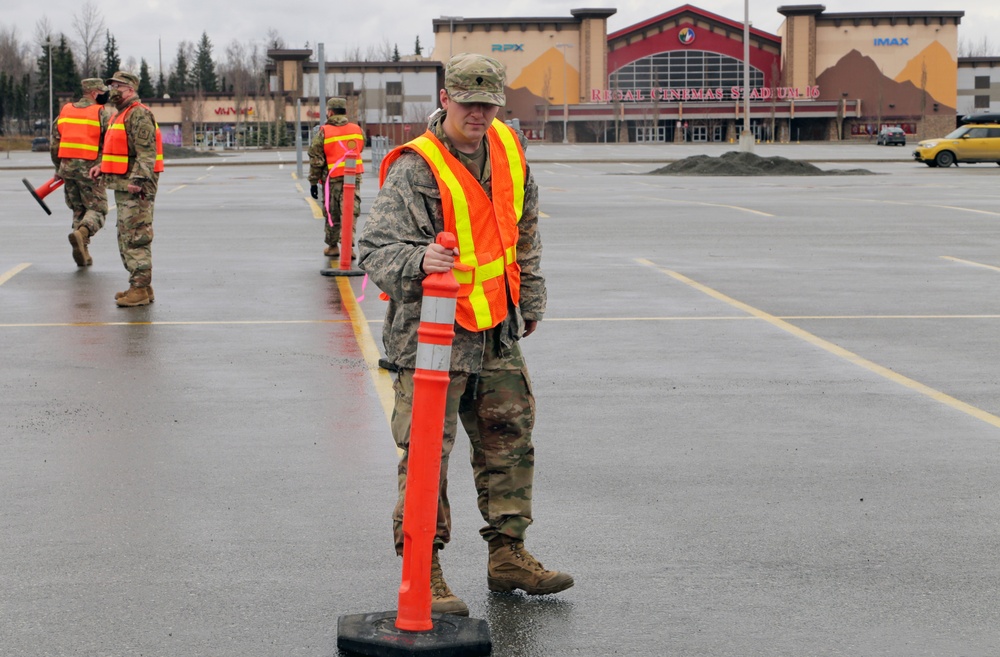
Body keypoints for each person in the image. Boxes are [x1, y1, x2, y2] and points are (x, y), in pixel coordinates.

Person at [357, 53, 573, 617]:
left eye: (488, 104)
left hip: (497, 330)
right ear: (446, 98)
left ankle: (508, 555)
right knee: (428, 456)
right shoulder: (417, 167)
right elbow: (375, 251)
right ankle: (422, 569)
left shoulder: (506, 149)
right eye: (469, 102)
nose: (478, 113)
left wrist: (530, 296)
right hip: (432, 340)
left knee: (510, 441)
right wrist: (419, 258)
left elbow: (522, 226)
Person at [88, 71, 163, 307]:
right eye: (111, 85)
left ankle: (139, 289)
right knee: (125, 235)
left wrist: (138, 180)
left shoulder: (139, 114)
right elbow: (120, 151)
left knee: (135, 237)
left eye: (117, 86)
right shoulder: (120, 115)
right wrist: (102, 166)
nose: (112, 90)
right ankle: (142, 285)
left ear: (130, 89)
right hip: (124, 185)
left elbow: (146, 154)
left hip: (136, 188)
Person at [51, 78, 114, 267]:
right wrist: (105, 164)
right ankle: (83, 234)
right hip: (91, 170)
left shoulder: (65, 112)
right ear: (94, 93)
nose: (105, 95)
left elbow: (55, 144)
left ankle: (83, 250)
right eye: (102, 91)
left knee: (79, 209)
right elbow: (110, 142)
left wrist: (58, 169)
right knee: (97, 209)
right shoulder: (101, 113)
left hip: (68, 169)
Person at [308, 97, 364, 259]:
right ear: (345, 112)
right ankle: (349, 247)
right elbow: (360, 147)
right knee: (350, 211)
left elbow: (316, 160)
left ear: (330, 112)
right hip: (353, 178)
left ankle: (333, 246)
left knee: (332, 212)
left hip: (332, 179)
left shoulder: (324, 131)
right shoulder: (357, 129)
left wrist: (313, 182)